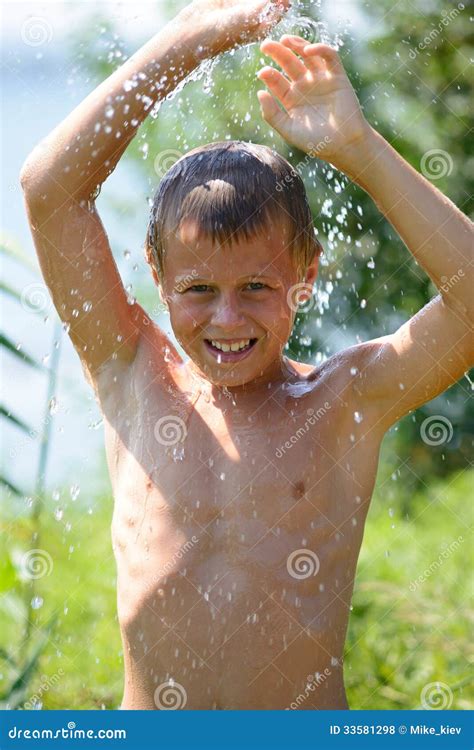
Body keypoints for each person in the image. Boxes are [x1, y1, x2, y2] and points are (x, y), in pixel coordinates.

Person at [20, 0, 473, 710]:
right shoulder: (134, 376)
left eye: (257, 287)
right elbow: (49, 191)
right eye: (199, 289)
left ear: (306, 275)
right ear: (157, 275)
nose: (226, 319)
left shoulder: (344, 402)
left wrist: (358, 147)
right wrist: (187, 41)